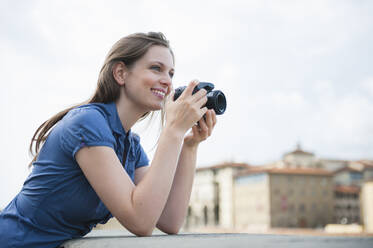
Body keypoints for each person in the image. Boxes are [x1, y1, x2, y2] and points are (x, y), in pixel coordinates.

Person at [0, 32, 217, 247]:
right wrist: (172, 131)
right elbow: (141, 221)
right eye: (156, 68)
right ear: (121, 73)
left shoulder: (130, 146)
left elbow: (169, 220)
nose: (167, 82)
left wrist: (189, 145)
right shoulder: (87, 122)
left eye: (171, 73)